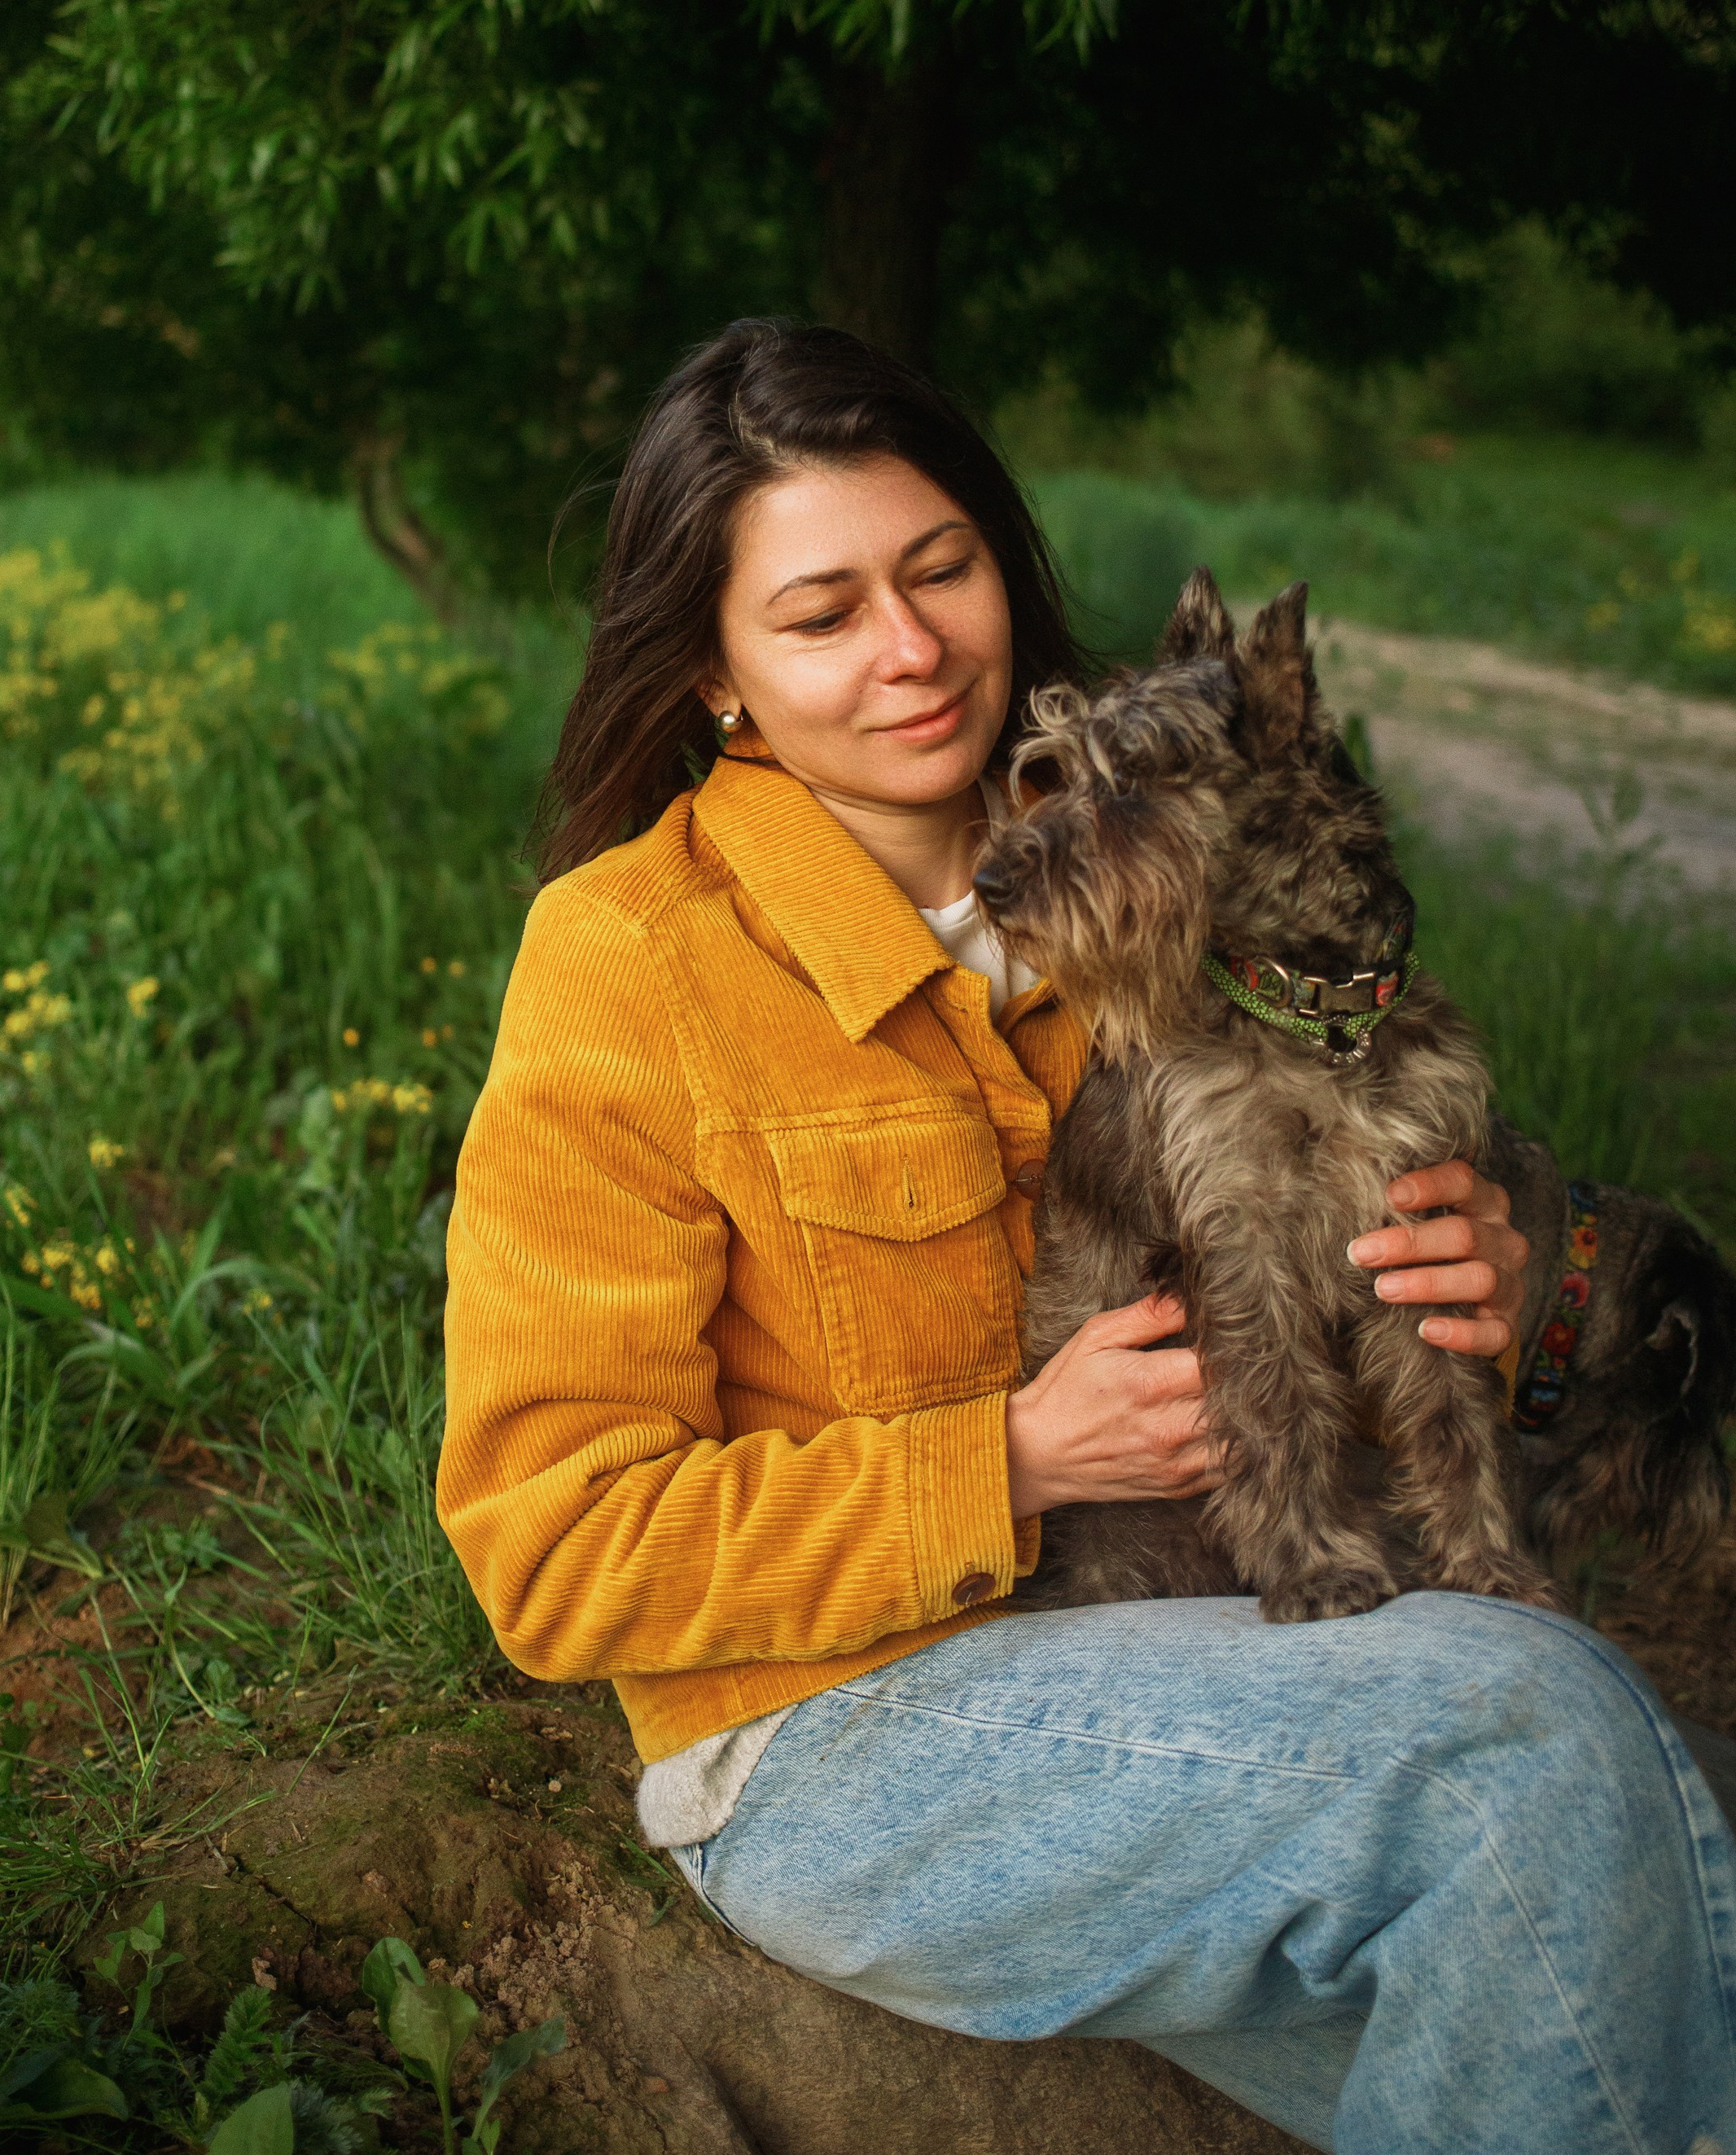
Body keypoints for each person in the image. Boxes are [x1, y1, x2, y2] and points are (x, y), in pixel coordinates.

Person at [436, 320, 1734, 2153]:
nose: (906, 650)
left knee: (1675, 1970)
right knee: (1531, 1742)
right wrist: (1012, 1459)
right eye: (816, 616)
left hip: (1213, 1627)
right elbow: (552, 1554)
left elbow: (1375, 1213)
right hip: (847, 1729)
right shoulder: (628, 965)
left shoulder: (1165, 854)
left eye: (938, 568)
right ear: (714, 675)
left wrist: (1518, 1288)